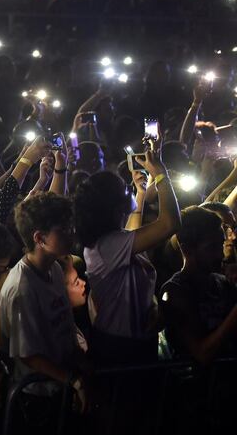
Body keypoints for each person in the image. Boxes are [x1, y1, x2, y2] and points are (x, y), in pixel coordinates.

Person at [0, 192, 88, 435]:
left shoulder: (55, 269)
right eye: (64, 230)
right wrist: (74, 380)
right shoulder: (22, 288)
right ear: (39, 238)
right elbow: (27, 354)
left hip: (59, 387)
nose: (72, 234)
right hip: (35, 397)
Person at [74, 148, 180, 364]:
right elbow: (170, 223)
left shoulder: (109, 241)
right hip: (120, 349)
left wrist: (140, 194)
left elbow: (131, 232)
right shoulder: (107, 246)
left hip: (128, 341)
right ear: (113, 207)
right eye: (125, 189)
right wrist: (161, 174)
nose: (128, 190)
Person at [161, 206, 237, 363]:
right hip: (196, 383)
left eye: (220, 244)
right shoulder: (175, 291)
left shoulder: (222, 282)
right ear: (187, 249)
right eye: (211, 248)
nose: (220, 254)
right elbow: (201, 353)